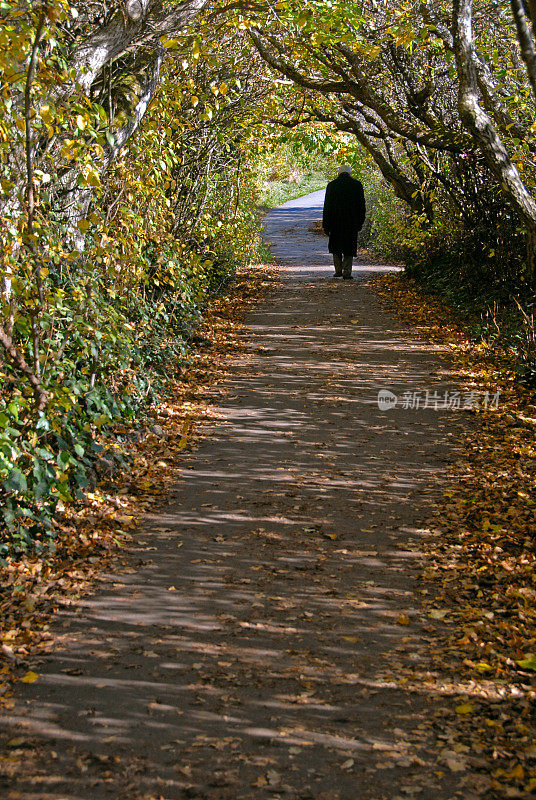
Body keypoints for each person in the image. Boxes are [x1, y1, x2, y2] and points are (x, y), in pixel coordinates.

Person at [322, 164, 366, 279]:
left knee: (336, 246)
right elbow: (361, 206)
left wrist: (326, 225)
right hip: (351, 222)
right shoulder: (357, 185)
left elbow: (327, 206)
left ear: (339, 173)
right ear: (350, 173)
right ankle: (347, 272)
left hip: (335, 222)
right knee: (349, 246)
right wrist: (360, 222)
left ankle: (338, 270)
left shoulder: (331, 185)